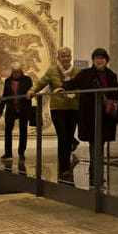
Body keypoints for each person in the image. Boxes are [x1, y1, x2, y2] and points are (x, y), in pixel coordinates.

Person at [69, 47, 118, 187]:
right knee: (95, 144)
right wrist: (62, 88)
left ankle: (95, 172)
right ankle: (96, 173)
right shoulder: (86, 74)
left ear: (106, 60)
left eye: (102, 58)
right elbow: (74, 83)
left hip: (106, 116)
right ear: (93, 60)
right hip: (91, 115)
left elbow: (116, 94)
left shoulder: (111, 75)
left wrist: (117, 108)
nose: (100, 60)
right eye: (97, 58)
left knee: (100, 144)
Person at [30, 47, 80, 180]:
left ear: (71, 57)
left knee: (69, 136)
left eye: (68, 56)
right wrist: (32, 90)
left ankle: (67, 163)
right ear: (58, 58)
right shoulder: (52, 71)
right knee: (62, 137)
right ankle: (63, 168)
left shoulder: (77, 72)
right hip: (58, 108)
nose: (66, 59)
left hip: (74, 108)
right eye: (63, 56)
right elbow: (41, 83)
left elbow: (84, 85)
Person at [0, 61, 36, 162]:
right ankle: (8, 153)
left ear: (21, 71)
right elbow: (5, 96)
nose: (16, 73)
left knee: (23, 131)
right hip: (11, 109)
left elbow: (31, 93)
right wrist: (0, 110)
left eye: (18, 71)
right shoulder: (8, 81)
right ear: (12, 71)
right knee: (8, 131)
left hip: (24, 109)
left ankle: (21, 152)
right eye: (14, 72)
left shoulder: (27, 80)